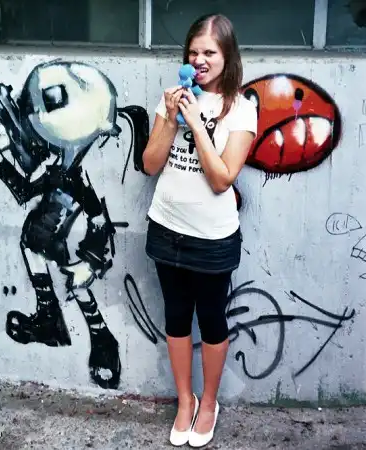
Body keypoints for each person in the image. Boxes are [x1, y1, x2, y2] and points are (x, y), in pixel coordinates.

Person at [142, 13, 257, 448]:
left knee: (211, 320)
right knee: (175, 317)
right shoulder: (173, 99)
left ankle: (209, 402)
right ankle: (185, 401)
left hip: (213, 240)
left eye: (209, 51)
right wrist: (171, 117)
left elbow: (222, 178)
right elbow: (150, 164)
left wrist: (195, 123)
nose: (199, 59)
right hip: (166, 228)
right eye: (193, 52)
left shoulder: (242, 109)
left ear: (227, 56)